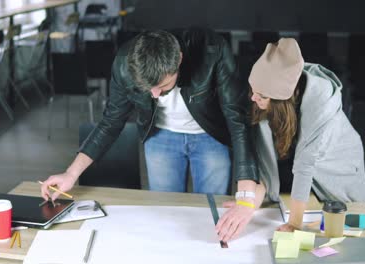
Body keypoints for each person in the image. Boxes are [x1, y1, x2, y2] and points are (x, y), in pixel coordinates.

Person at [40, 29, 260, 222]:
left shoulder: (213, 50)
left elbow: (237, 118)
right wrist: (70, 174)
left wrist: (247, 196)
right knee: (165, 212)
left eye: (162, 85)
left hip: (211, 135)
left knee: (212, 210)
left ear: (179, 60)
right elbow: (110, 122)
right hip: (161, 136)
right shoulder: (125, 63)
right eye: (148, 88)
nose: (154, 95)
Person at [216, 38, 365, 240]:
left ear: (283, 102)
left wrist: (294, 224)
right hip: (294, 177)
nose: (253, 98)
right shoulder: (263, 97)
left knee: (337, 237)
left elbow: (305, 165)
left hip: (334, 177)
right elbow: (264, 161)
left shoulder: (321, 102)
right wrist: (249, 203)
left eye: (261, 96)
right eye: (252, 91)